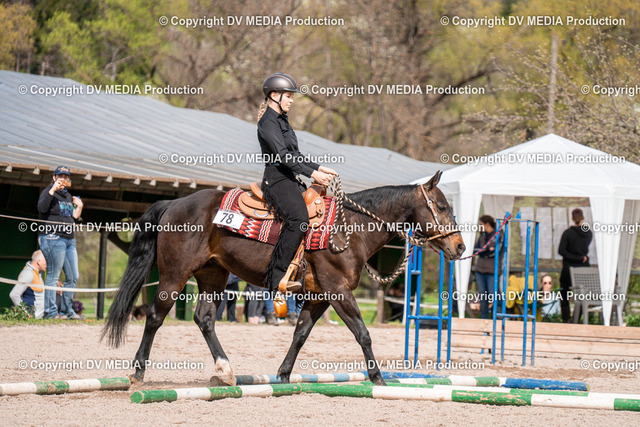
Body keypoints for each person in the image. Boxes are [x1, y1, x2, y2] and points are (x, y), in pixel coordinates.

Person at [257, 73, 338, 293]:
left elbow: (296, 155)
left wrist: (319, 168)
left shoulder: (283, 121)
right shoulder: (268, 123)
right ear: (274, 95)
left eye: (292, 96)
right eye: (288, 96)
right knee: (299, 219)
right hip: (276, 180)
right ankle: (276, 278)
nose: (291, 100)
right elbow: (282, 156)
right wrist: (313, 175)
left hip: (290, 178)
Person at [37, 166, 83, 319]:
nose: (63, 179)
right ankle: (51, 312)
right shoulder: (48, 191)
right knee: (53, 275)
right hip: (53, 238)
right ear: (54, 177)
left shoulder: (68, 196)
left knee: (73, 276)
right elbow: (41, 208)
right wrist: (52, 190)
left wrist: (80, 207)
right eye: (60, 176)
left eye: (66, 176)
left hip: (69, 240)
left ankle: (67, 311)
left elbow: (73, 217)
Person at [558, 208, 592, 323]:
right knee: (582, 295)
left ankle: (566, 319)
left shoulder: (568, 233)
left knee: (564, 294)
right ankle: (576, 319)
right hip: (583, 268)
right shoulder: (588, 233)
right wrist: (580, 258)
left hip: (568, 267)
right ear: (583, 218)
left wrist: (574, 258)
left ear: (572, 218)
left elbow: (561, 250)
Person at [473, 215, 499, 319]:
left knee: (493, 296)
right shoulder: (482, 236)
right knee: (483, 297)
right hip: (480, 270)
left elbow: (494, 252)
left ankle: (497, 318)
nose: (480, 227)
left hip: (492, 270)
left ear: (487, 224)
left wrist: (483, 250)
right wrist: (487, 249)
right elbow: (476, 250)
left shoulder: (498, 234)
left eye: (481, 225)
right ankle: (484, 319)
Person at [9, 250, 47, 319]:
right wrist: (25, 314)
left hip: (38, 319)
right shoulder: (28, 273)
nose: (47, 264)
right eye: (45, 261)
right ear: (39, 262)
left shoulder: (37, 273)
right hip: (32, 319)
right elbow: (14, 294)